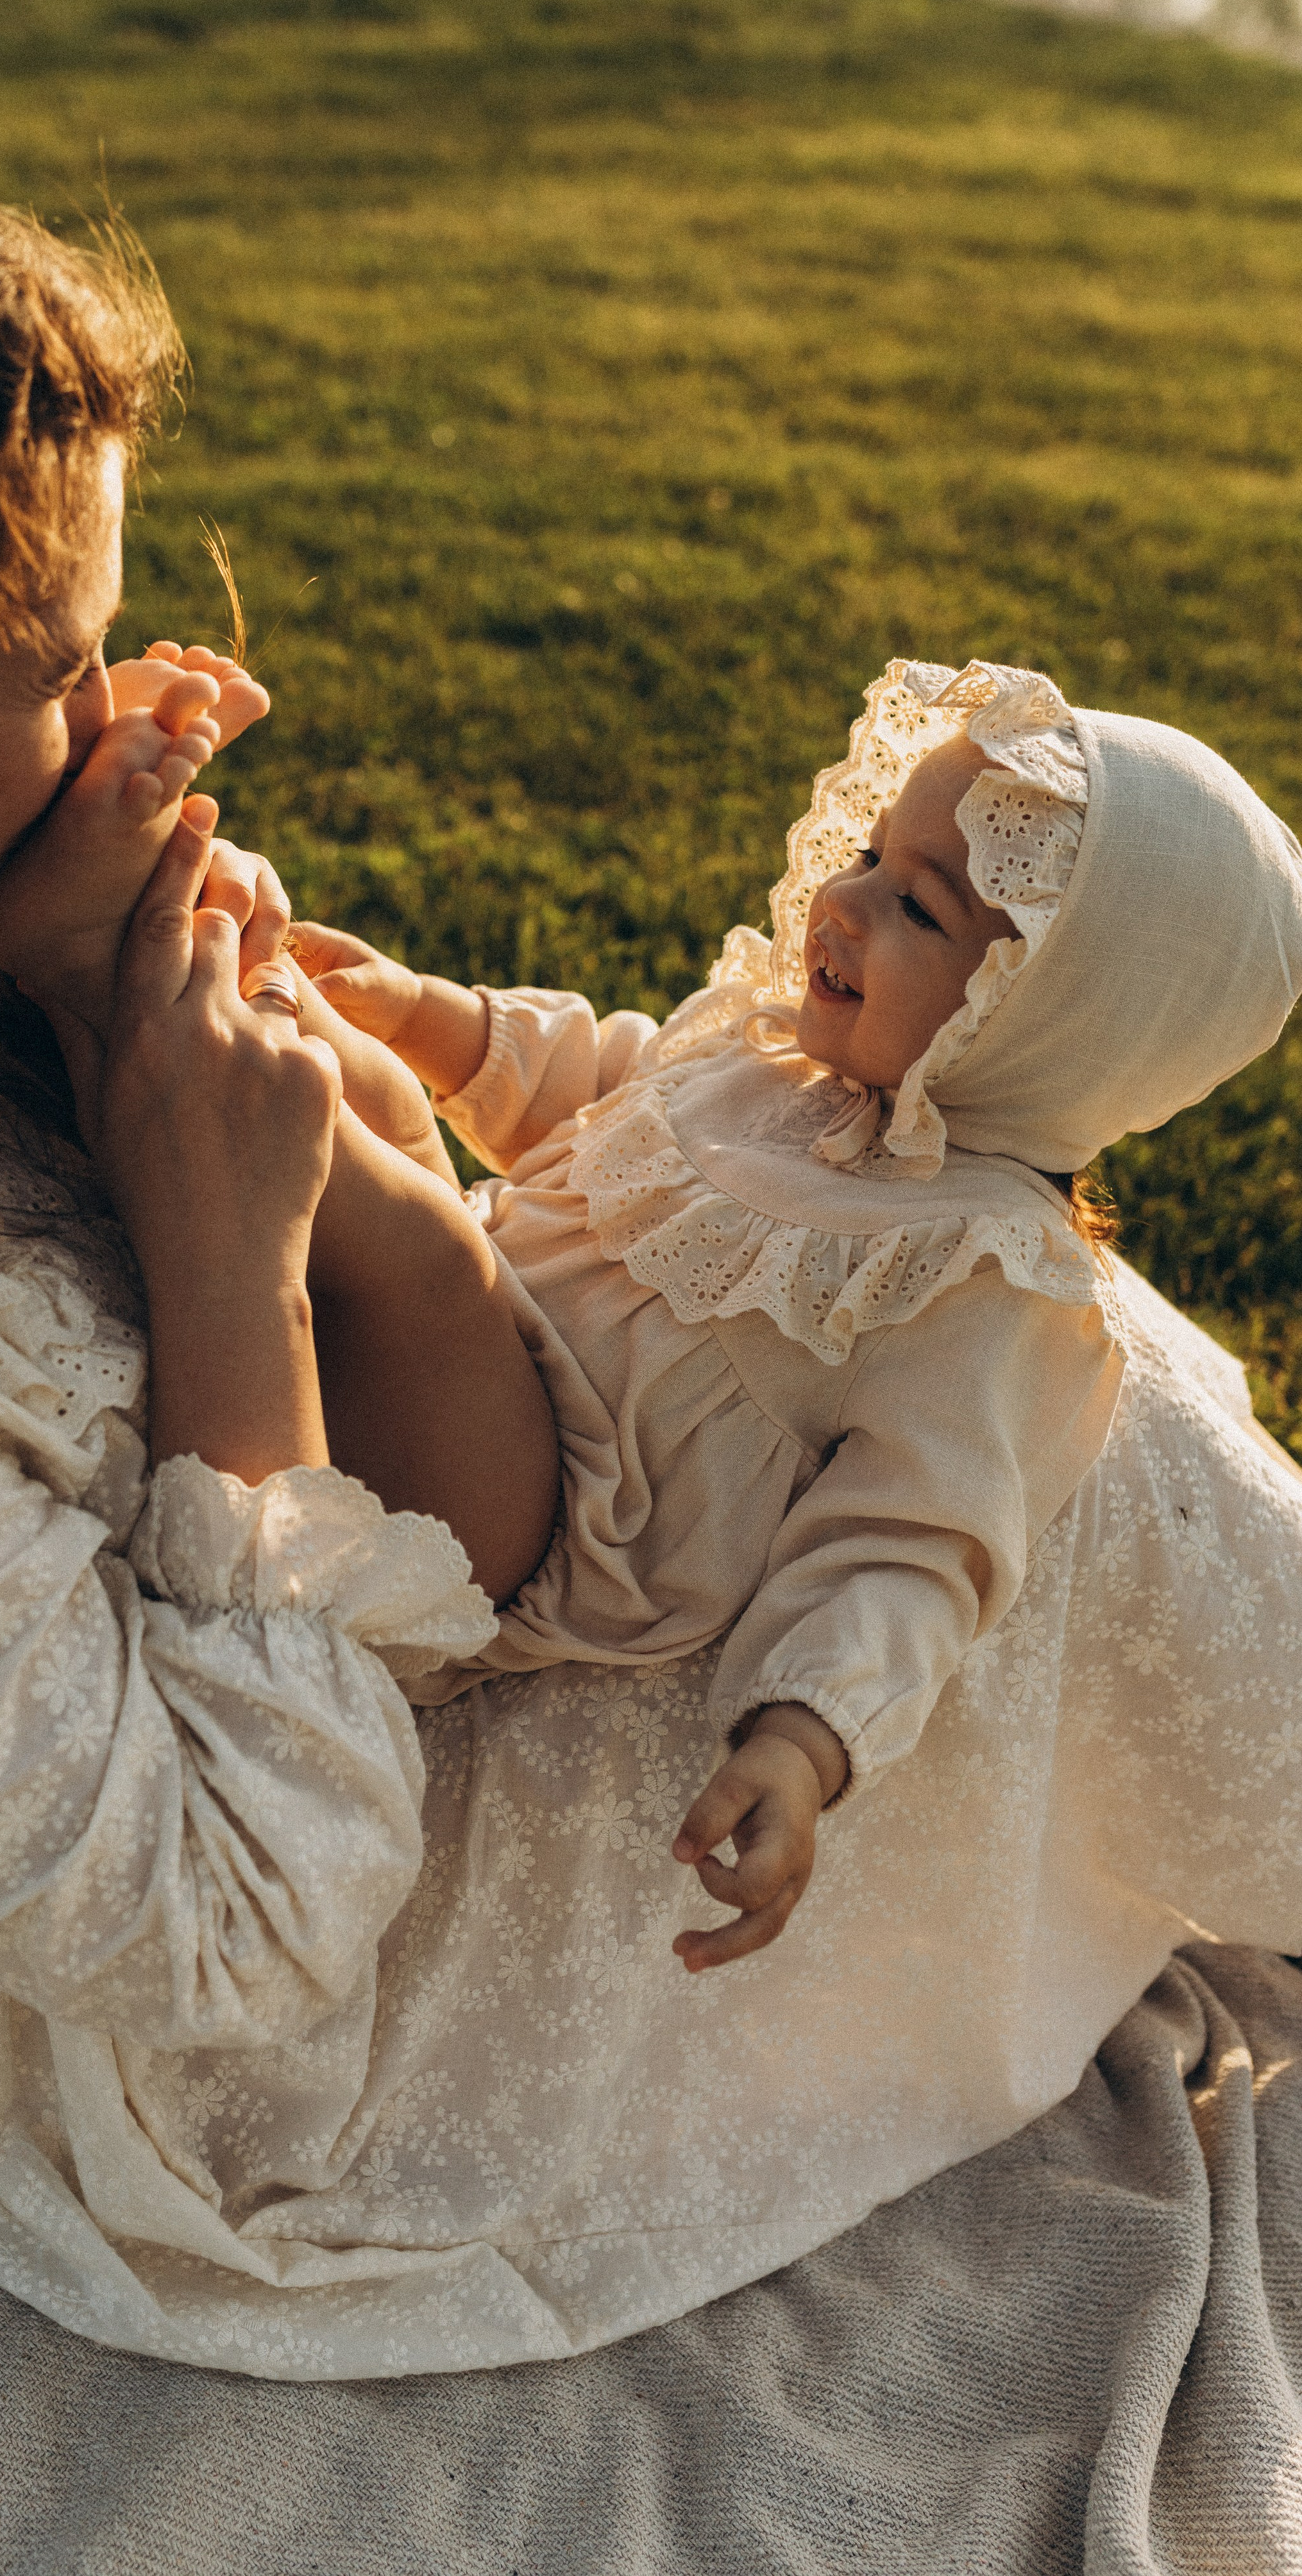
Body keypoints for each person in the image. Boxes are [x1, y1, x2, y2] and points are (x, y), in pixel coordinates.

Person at [0, 144, 1301, 2388]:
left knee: (1053, 1380)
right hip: (282, 2072)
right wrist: (229, 1245)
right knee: (1077, 1447)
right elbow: (239, 1924)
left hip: (447, 1585)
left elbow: (512, 1130)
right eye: (56, 669)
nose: (108, 728)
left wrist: (103, 981)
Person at [285, 659, 1302, 1967]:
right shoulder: (775, 1065)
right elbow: (604, 1084)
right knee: (354, 1081)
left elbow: (918, 1542)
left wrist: (804, 1738)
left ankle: (188, 1119)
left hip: (529, 1497)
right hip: (479, 1329)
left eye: (918, 911)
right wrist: (430, 1018)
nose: (844, 902)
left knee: (370, 1189)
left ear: (1044, 1026)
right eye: (872, 853)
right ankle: (173, 1102)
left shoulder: (978, 1281)